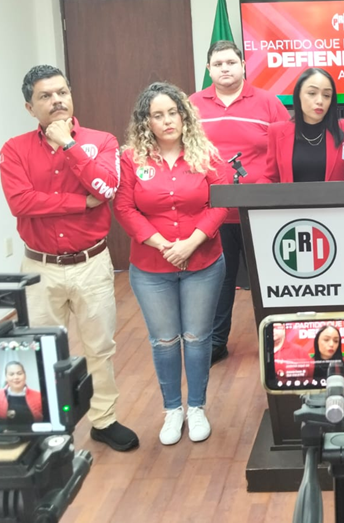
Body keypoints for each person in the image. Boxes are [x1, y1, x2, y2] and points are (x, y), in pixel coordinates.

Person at [0, 65, 138, 452]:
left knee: (100, 347)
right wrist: (80, 203)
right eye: (45, 96)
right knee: (40, 349)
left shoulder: (101, 141)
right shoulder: (14, 149)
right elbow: (21, 202)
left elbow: (105, 188)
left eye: (62, 92)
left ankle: (104, 420)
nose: (57, 100)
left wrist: (68, 145)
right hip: (39, 268)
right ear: (30, 107)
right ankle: (47, 424)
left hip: (91, 264)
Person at [114, 82, 229, 446]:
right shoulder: (131, 159)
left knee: (197, 338)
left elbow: (222, 201)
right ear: (145, 121)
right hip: (151, 268)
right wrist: (163, 244)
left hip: (203, 263)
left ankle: (196, 408)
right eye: (157, 115)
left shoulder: (206, 154)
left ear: (184, 116)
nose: (167, 121)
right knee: (164, 340)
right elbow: (124, 208)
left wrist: (192, 242)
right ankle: (172, 410)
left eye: (173, 113)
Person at [190, 40, 290, 367]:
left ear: (243, 66)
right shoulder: (192, 105)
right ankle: (216, 342)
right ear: (209, 69)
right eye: (218, 64)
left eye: (231, 62)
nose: (225, 69)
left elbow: (285, 149)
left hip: (260, 212)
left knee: (270, 281)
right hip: (212, 215)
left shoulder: (268, 103)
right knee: (219, 282)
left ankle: (279, 344)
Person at [266, 68, 344, 183]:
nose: (320, 101)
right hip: (291, 196)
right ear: (298, 95)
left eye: (326, 95)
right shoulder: (277, 131)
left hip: (335, 196)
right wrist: (252, 190)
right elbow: (270, 178)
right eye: (312, 93)